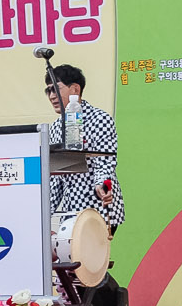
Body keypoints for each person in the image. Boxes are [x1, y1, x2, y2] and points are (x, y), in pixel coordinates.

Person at [45, 64, 125, 232]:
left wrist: (103, 186)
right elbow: (56, 178)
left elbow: (105, 162)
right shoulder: (54, 127)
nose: (52, 96)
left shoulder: (100, 119)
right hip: (70, 211)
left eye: (56, 89)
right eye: (48, 91)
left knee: (89, 256)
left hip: (99, 207)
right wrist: (44, 213)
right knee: (69, 256)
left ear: (75, 89)